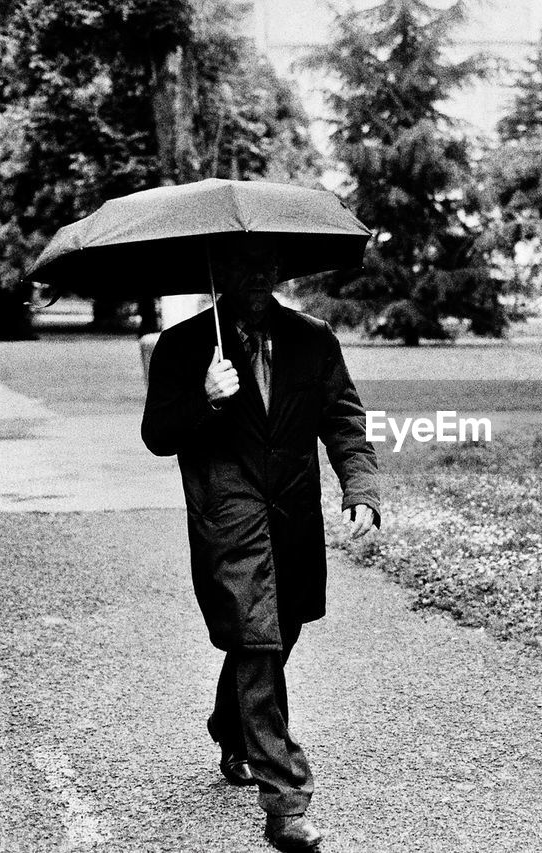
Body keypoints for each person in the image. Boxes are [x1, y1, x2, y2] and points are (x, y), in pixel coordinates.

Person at [141, 235, 380, 853]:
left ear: (280, 269)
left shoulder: (314, 339)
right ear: (218, 270)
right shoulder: (183, 345)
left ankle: (231, 727)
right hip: (229, 521)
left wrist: (360, 486)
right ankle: (286, 803)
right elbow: (158, 434)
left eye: (266, 263)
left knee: (277, 633)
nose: (256, 274)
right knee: (258, 638)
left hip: (293, 519)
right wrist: (206, 399)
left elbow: (344, 418)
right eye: (242, 263)